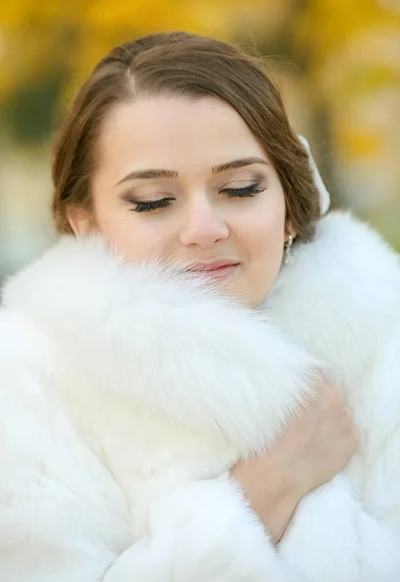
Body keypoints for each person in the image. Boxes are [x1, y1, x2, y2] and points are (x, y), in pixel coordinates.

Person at [0, 31, 399, 581]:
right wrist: (261, 494)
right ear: (84, 221)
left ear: (289, 203)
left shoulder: (379, 334)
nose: (205, 230)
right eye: (154, 201)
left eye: (239, 189)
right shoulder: (24, 374)